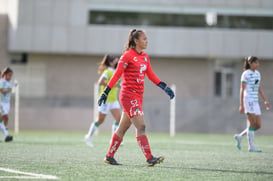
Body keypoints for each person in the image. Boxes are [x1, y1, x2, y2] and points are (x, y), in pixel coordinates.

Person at [98, 29, 175, 166]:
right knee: (141, 126)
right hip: (128, 96)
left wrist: (165, 87)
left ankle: (109, 156)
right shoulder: (127, 56)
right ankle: (149, 157)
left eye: (147, 39)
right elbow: (117, 75)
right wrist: (106, 92)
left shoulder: (145, 56)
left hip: (138, 97)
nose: (147, 41)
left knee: (122, 128)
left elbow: (151, 75)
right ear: (136, 41)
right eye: (144, 39)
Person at [234, 56, 270, 152]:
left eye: (258, 63)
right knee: (252, 123)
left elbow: (258, 87)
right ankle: (251, 146)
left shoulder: (257, 74)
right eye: (256, 63)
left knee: (258, 125)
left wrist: (265, 100)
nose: (257, 64)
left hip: (255, 101)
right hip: (248, 100)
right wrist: (241, 104)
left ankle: (240, 136)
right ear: (250, 63)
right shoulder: (245, 74)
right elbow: (242, 89)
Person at [85, 55, 121, 147]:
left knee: (119, 119)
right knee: (100, 120)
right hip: (105, 100)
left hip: (113, 100)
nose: (117, 62)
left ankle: (113, 140)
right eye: (115, 61)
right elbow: (100, 81)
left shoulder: (117, 72)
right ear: (111, 63)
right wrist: (112, 85)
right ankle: (88, 137)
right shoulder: (107, 71)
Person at [0, 67, 14, 142]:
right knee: (2, 117)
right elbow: (3, 91)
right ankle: (6, 135)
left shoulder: (9, 81)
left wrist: (14, 86)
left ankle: (5, 133)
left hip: (6, 103)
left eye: (11, 75)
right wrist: (10, 89)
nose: (10, 77)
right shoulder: (2, 81)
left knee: (5, 118)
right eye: (9, 75)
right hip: (1, 103)